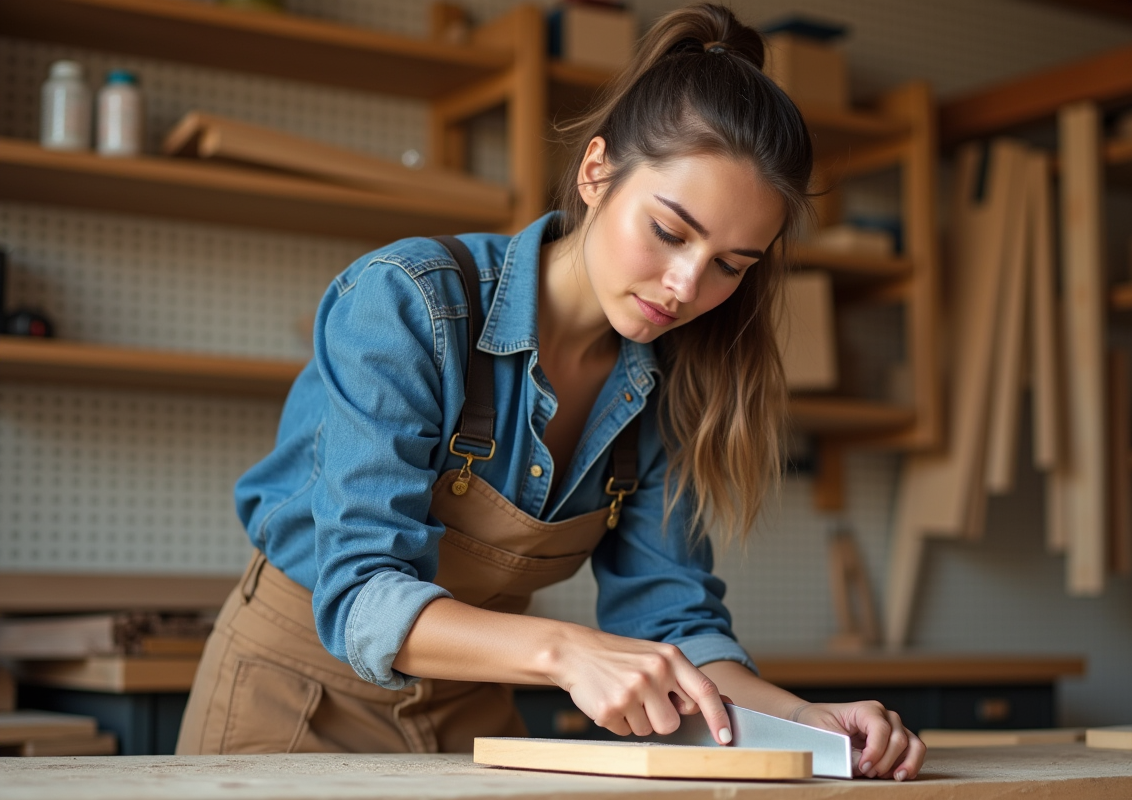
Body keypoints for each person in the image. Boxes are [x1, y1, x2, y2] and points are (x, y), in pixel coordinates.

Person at [176, 2, 924, 781]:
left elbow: (673, 621)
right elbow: (362, 595)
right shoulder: (410, 302)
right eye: (670, 232)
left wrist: (804, 720)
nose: (685, 285)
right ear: (596, 171)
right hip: (292, 698)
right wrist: (565, 651)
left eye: (731, 265)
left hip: (469, 713)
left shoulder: (673, 384)